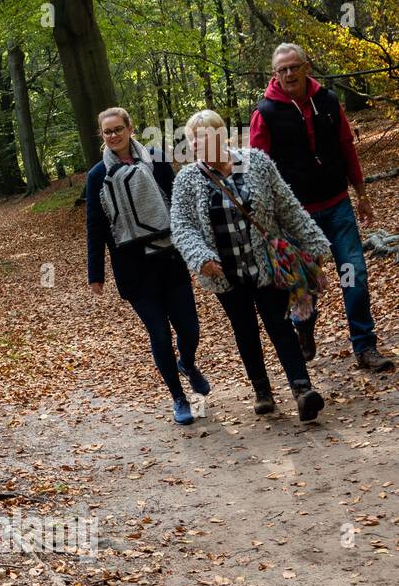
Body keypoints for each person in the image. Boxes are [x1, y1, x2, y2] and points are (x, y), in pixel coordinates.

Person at [171, 110, 332, 421]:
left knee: (280, 325)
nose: (197, 144)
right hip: (225, 273)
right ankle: (262, 390)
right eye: (192, 139)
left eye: (204, 136)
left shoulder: (255, 162)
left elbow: (287, 206)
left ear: (221, 136)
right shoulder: (187, 180)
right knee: (244, 329)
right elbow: (182, 226)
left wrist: (315, 246)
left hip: (265, 265)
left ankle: (302, 389)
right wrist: (200, 257)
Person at [249, 43, 393, 372]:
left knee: (351, 273)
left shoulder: (327, 101)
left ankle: (364, 345)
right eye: (282, 69)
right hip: (297, 215)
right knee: (305, 285)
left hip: (337, 205)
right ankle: (304, 327)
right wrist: (267, 219)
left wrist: (362, 193)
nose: (289, 73)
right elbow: (258, 169)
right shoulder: (266, 113)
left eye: (294, 66)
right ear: (275, 74)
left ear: (306, 67)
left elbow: (346, 146)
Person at [86, 107, 208, 425]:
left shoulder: (156, 159)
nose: (113, 135)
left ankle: (189, 363)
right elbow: (95, 227)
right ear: (102, 135)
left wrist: (196, 247)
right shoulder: (98, 176)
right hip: (133, 268)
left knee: (188, 328)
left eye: (118, 129)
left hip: (169, 258)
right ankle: (178, 398)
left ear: (130, 128)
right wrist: (95, 274)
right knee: (159, 334)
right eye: (107, 131)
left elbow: (178, 203)